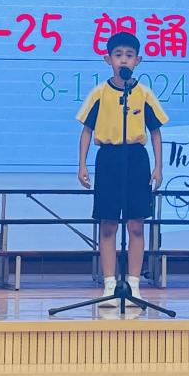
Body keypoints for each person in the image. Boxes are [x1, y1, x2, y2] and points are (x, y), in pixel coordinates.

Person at [76, 31, 168, 306]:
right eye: (118, 55)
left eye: (129, 55)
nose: (123, 60)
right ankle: (109, 285)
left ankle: (134, 285)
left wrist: (158, 167)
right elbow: (86, 130)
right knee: (108, 224)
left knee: (136, 224)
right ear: (108, 60)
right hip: (108, 159)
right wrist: (82, 165)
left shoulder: (144, 93)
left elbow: (155, 132)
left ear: (138, 60)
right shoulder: (99, 93)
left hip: (136, 159)